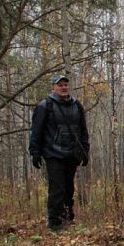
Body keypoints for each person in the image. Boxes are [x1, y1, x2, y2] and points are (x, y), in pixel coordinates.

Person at [29, 75, 89, 231]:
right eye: (60, 85)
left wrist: (85, 150)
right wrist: (35, 152)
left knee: (69, 188)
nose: (63, 87)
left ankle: (68, 217)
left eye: (65, 85)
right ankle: (55, 222)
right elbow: (36, 131)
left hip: (72, 154)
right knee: (57, 189)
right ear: (54, 87)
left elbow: (83, 130)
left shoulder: (77, 106)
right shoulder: (45, 106)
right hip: (53, 154)